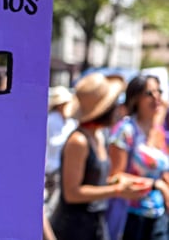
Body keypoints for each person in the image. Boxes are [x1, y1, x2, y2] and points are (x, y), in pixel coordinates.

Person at [50, 73, 151, 240]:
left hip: (94, 223)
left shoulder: (99, 135)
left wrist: (123, 182)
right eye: (115, 104)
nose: (120, 109)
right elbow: (72, 193)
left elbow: (96, 180)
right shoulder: (79, 141)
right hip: (74, 228)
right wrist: (117, 190)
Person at [109, 74, 169, 240]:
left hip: (159, 216)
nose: (156, 97)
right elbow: (115, 177)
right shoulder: (125, 131)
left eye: (159, 92)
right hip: (132, 217)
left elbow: (162, 171)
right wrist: (156, 185)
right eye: (149, 93)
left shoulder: (159, 131)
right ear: (135, 99)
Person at [44, 86, 77, 217]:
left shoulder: (69, 121)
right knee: (53, 202)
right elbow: (53, 142)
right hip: (54, 166)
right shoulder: (52, 120)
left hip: (63, 167)